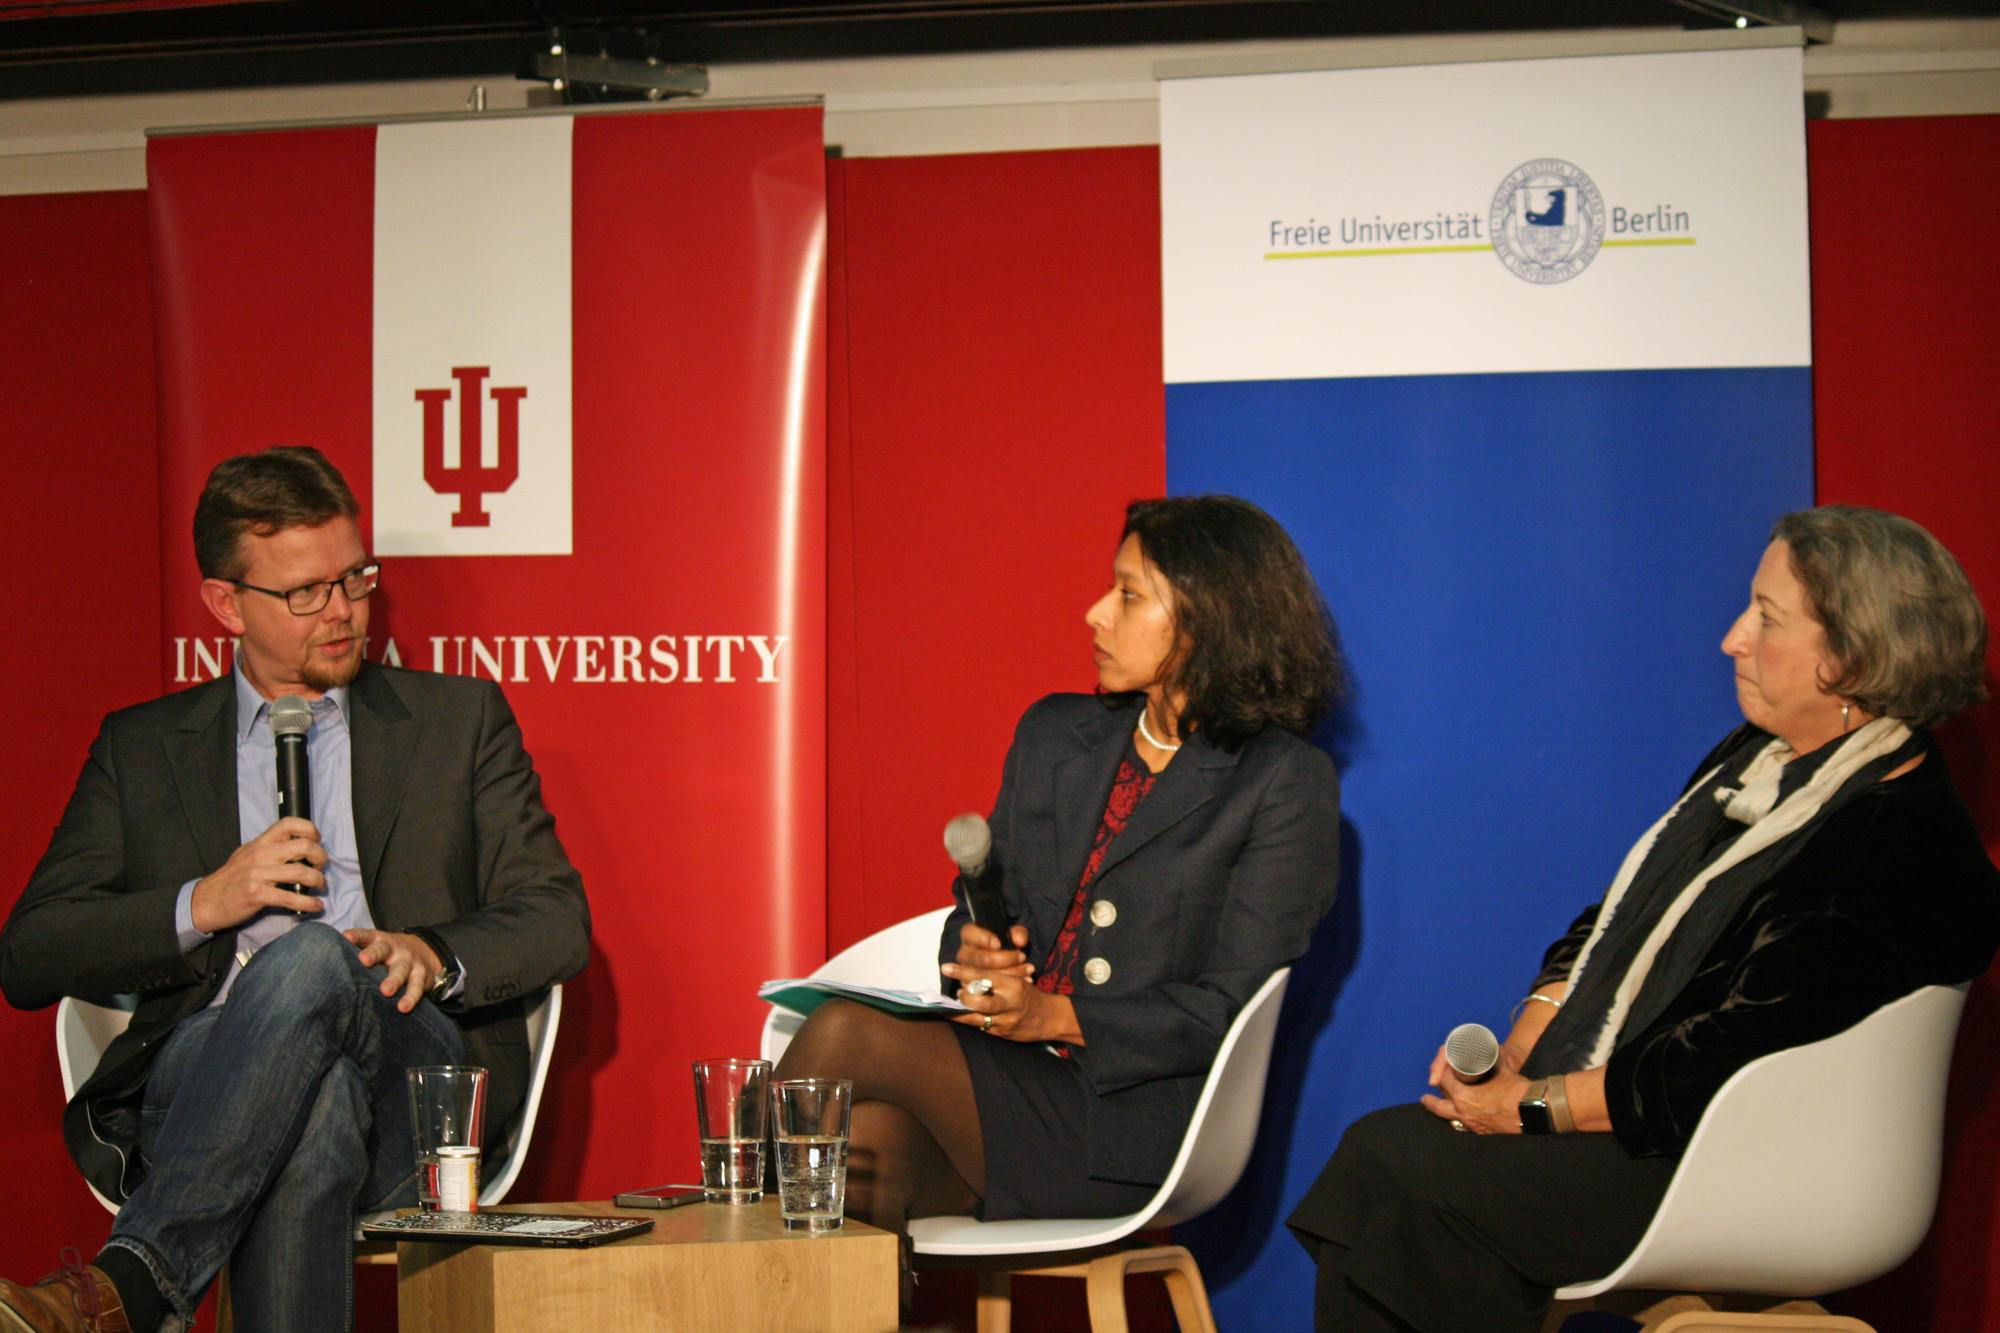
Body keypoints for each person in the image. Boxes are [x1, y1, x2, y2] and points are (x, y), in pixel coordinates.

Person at [1289, 505, 2000, 1333]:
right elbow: (1615, 920)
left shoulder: (1901, 833)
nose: (1733, 637)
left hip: (1742, 1156)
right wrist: (1527, 1041)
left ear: (1850, 655)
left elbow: (1731, 1053)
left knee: (1419, 1186)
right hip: (1655, 1121)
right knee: (1381, 1155)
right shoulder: (1757, 758)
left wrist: (1530, 1107)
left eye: (1766, 617)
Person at [0, 447, 590, 1333]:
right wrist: (203, 901)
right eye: (306, 592)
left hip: (410, 1082)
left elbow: (556, 918)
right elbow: (29, 951)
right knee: (314, 1113)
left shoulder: (457, 721)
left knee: (316, 955)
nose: (345, 612)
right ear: (226, 604)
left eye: (355, 578)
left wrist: (429, 950)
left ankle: (130, 1287)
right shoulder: (143, 747)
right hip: (208, 1080)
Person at [775, 494, 1342, 1236]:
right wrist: (976, 953)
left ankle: (716, 1234)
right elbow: (981, 910)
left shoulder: (1280, 781)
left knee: (847, 1034)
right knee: (861, 1155)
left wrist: (1054, 1013)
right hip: (1000, 1089)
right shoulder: (1055, 734)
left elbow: (1226, 1009)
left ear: (1210, 620)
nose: (1096, 612)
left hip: (1127, 1126)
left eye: (1130, 594)